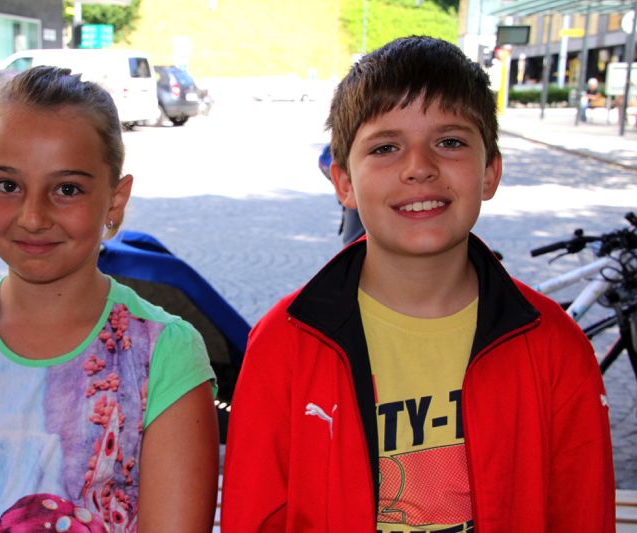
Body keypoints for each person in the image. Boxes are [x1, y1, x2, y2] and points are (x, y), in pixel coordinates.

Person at [222, 36, 615, 532]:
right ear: (344, 183)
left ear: (490, 172)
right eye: (385, 147)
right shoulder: (283, 345)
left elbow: (582, 514)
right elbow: (254, 517)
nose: (419, 167)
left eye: (449, 142)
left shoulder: (556, 347)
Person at [0, 66, 219, 532]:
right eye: (8, 186)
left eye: (66, 189)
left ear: (115, 201)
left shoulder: (164, 356)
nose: (32, 217)